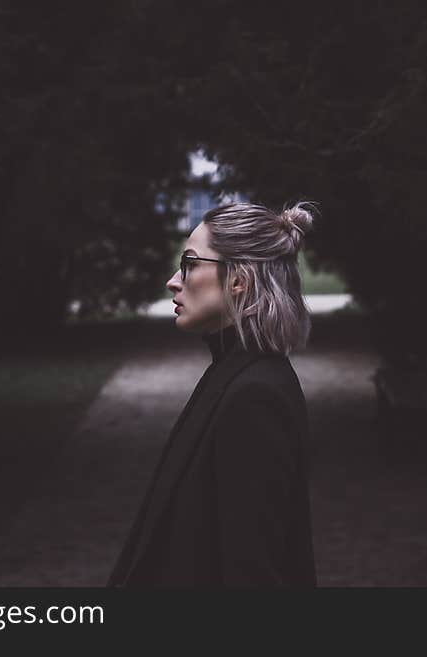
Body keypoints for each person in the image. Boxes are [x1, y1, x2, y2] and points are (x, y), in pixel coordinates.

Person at [106, 201, 319, 587]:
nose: (174, 280)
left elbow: (253, 575)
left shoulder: (254, 395)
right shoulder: (232, 373)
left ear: (238, 280)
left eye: (189, 264)